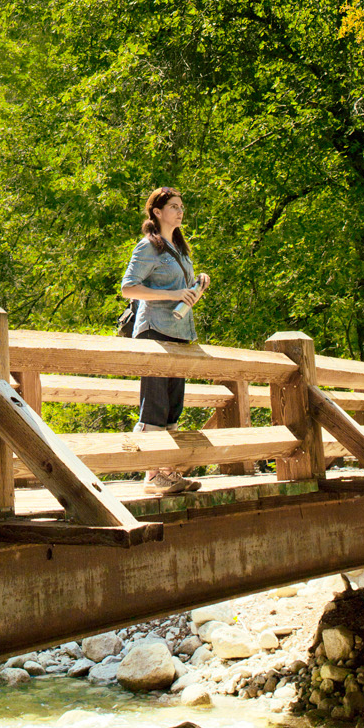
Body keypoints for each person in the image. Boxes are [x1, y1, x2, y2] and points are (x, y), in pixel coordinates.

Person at [119, 187, 210, 497]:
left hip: (180, 333)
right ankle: (153, 472)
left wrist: (196, 287)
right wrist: (173, 294)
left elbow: (181, 294)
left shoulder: (181, 249)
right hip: (154, 331)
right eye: (173, 206)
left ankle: (163, 473)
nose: (180, 211)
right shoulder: (148, 247)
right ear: (157, 212)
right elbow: (128, 288)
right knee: (154, 406)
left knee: (172, 407)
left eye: (181, 206)